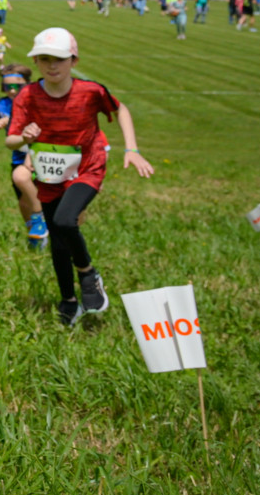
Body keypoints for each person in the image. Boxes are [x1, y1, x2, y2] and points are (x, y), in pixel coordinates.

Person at [10, 27, 153, 326]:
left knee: (65, 221)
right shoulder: (28, 95)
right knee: (58, 241)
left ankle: (88, 274)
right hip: (49, 174)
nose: (52, 66)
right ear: (35, 61)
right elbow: (10, 140)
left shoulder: (90, 91)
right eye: (45, 59)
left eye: (59, 59)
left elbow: (121, 109)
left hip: (88, 167)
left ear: (74, 61)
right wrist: (24, 136)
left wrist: (132, 149)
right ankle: (68, 300)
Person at [0, 66, 47, 249]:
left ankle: (41, 219)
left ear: (28, 84)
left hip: (41, 156)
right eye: (8, 87)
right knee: (24, 201)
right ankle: (34, 233)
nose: (13, 91)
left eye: (18, 86)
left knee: (43, 195)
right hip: (18, 158)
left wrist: (31, 155)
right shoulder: (2, 105)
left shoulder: (36, 103)